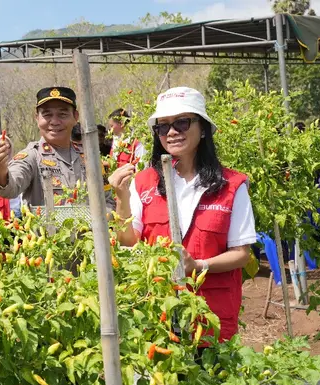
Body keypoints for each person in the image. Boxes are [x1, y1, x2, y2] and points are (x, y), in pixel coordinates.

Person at [109, 86, 256, 343]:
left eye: (182, 122)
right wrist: (121, 198)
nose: (172, 132)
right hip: (157, 312)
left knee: (211, 378)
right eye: (163, 127)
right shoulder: (144, 182)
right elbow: (128, 242)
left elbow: (241, 255)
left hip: (210, 314)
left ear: (203, 129)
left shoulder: (232, 185)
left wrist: (198, 266)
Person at [0, 87, 85, 207]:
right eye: (47, 115)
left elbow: (107, 200)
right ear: (37, 118)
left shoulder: (89, 157)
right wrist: (0, 169)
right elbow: (11, 189)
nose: (54, 121)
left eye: (62, 114)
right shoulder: (32, 156)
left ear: (75, 117)